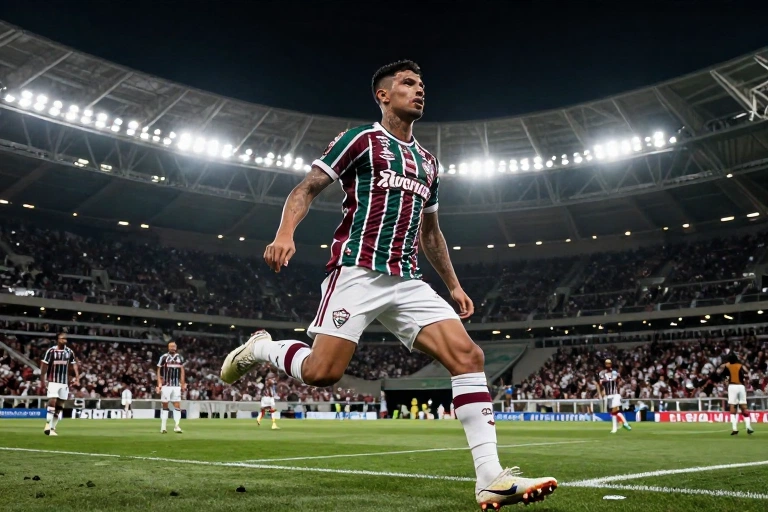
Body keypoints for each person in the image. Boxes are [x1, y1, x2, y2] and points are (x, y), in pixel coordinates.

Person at [221, 60, 557, 509]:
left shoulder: (428, 162)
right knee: (323, 373)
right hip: (357, 271)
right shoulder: (361, 139)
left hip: (407, 279)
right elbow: (306, 188)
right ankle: (262, 348)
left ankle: (490, 477)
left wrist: (454, 285)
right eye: (407, 83)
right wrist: (285, 233)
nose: (419, 90)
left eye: (421, 84)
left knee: (468, 356)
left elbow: (431, 232)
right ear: (383, 95)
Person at [40, 332, 79, 436]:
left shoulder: (69, 352)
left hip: (64, 383)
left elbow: (73, 365)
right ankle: (47, 425)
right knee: (52, 401)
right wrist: (42, 379)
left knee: (59, 407)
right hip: (53, 381)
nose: (64, 340)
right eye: (62, 338)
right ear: (57, 339)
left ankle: (52, 428)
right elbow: (44, 365)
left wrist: (76, 377)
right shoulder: (51, 351)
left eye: (65, 339)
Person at [718, 352, 754, 435]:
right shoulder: (740, 365)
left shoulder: (727, 365)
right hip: (741, 386)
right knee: (744, 407)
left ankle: (734, 429)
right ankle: (748, 427)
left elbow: (721, 371)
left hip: (732, 386)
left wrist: (726, 380)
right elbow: (747, 371)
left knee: (733, 407)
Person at [156, 341, 185, 434]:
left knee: (177, 405)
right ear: (168, 347)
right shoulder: (164, 357)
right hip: (166, 385)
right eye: (171, 346)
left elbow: (182, 370)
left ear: (176, 348)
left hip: (176, 386)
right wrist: (159, 383)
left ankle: (177, 426)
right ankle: (163, 427)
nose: (172, 348)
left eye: (174, 346)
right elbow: (158, 370)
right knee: (165, 405)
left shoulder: (180, 357)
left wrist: (183, 383)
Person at [596, 359, 631, 434]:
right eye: (607, 364)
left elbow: (618, 380)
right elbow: (601, 382)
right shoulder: (602, 373)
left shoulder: (614, 373)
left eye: (609, 363)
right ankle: (620, 425)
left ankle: (621, 425)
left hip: (615, 394)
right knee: (614, 413)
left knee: (614, 411)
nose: (608, 365)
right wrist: (609, 380)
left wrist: (615, 378)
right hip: (608, 395)